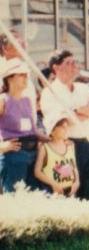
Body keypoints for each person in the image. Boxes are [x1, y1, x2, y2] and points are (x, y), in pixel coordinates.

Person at [39, 50, 89, 201]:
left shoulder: (83, 88)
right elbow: (62, 122)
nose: (73, 66)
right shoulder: (49, 93)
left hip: (87, 144)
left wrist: (77, 111)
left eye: (74, 62)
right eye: (68, 63)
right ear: (56, 68)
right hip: (64, 147)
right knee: (69, 192)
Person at [0, 58, 39, 192]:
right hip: (14, 154)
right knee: (15, 199)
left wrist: (54, 140)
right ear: (9, 78)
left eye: (27, 75)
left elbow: (34, 130)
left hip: (33, 155)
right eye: (21, 74)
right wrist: (1, 146)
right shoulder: (3, 100)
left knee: (33, 199)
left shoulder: (27, 100)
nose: (26, 78)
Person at [34, 115, 78, 197]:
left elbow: (74, 167)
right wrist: (53, 183)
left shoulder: (70, 146)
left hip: (70, 190)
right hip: (52, 191)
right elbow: (37, 172)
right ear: (52, 131)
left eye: (67, 127)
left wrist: (77, 182)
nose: (66, 129)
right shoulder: (45, 148)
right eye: (62, 127)